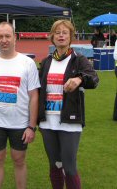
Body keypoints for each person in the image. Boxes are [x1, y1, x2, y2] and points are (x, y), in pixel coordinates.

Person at [0, 22, 40, 189]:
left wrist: (31, 127)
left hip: (20, 123)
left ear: (15, 38)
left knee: (19, 160)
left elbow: (34, 96)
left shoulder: (27, 63)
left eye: (7, 36)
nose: (4, 40)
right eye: (0, 36)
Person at [38, 20, 99, 189]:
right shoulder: (46, 62)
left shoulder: (79, 60)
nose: (61, 36)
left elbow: (94, 79)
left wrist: (80, 78)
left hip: (70, 122)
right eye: (57, 33)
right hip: (47, 121)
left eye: (65, 32)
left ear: (71, 37)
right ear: (52, 37)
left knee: (69, 167)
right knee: (55, 164)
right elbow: (37, 90)